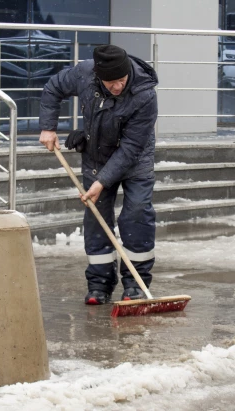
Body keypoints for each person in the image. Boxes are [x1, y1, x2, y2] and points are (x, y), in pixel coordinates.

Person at [38, 44, 159, 305]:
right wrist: (48, 127)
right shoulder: (84, 74)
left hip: (135, 159)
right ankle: (99, 284)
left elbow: (131, 147)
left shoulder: (144, 94)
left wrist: (102, 182)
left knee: (137, 214)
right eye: (111, 82)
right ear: (98, 77)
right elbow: (53, 88)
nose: (117, 87)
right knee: (96, 219)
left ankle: (135, 285)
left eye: (121, 80)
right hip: (96, 156)